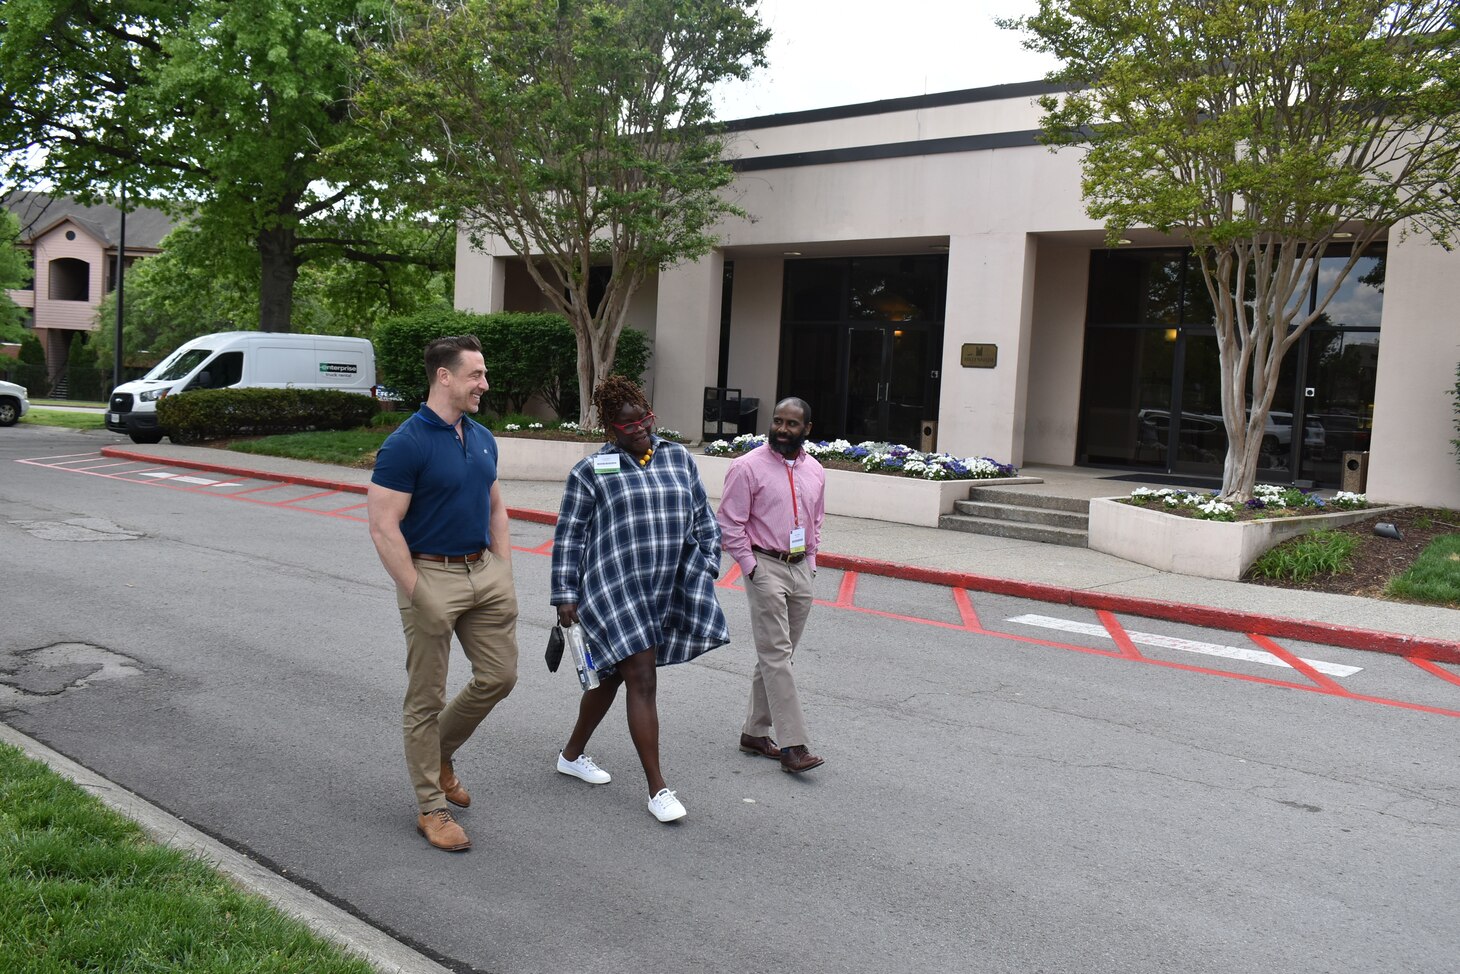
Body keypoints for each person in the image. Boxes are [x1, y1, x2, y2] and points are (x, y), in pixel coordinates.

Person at [550, 375, 728, 823]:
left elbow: (703, 518)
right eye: (629, 425)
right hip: (613, 590)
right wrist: (564, 595)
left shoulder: (677, 458)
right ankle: (658, 788)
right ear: (610, 427)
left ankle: (571, 755)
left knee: (610, 676)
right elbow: (569, 537)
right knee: (641, 676)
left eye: (645, 418)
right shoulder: (591, 471)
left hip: (667, 586)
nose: (642, 429)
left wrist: (706, 564)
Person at [366, 335, 519, 852]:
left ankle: (439, 754)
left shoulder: (480, 436)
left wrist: (503, 569)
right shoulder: (406, 443)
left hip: (484, 573)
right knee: (425, 698)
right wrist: (416, 591)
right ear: (444, 377)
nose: (485, 384)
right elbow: (385, 527)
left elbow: (496, 506)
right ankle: (431, 807)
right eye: (476, 374)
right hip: (430, 576)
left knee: (500, 676)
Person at [716, 397, 827, 774]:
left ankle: (753, 732)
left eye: (792, 424)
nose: (782, 429)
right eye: (777, 421)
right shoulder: (746, 467)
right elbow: (729, 523)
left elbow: (816, 520)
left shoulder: (815, 470)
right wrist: (751, 569)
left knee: (777, 656)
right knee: (777, 654)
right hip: (764, 566)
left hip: (799, 569)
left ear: (806, 429)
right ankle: (794, 746)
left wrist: (810, 563)